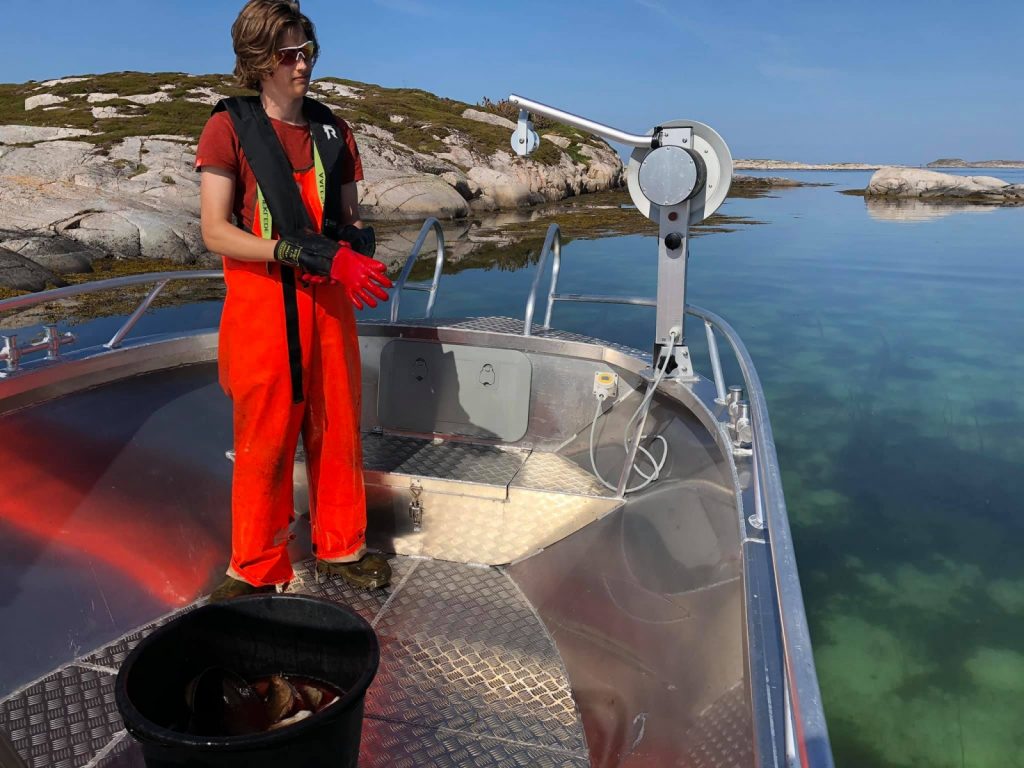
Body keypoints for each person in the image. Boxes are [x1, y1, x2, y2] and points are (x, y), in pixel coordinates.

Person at [196, 0, 393, 601]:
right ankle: (255, 566)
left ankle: (340, 549)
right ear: (258, 60)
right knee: (266, 437)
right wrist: (295, 254)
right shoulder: (227, 127)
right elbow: (215, 231)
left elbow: (353, 217)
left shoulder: (336, 131)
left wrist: (356, 244)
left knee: (336, 426)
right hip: (262, 306)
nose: (302, 64)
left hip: (329, 303)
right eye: (288, 54)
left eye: (308, 51)